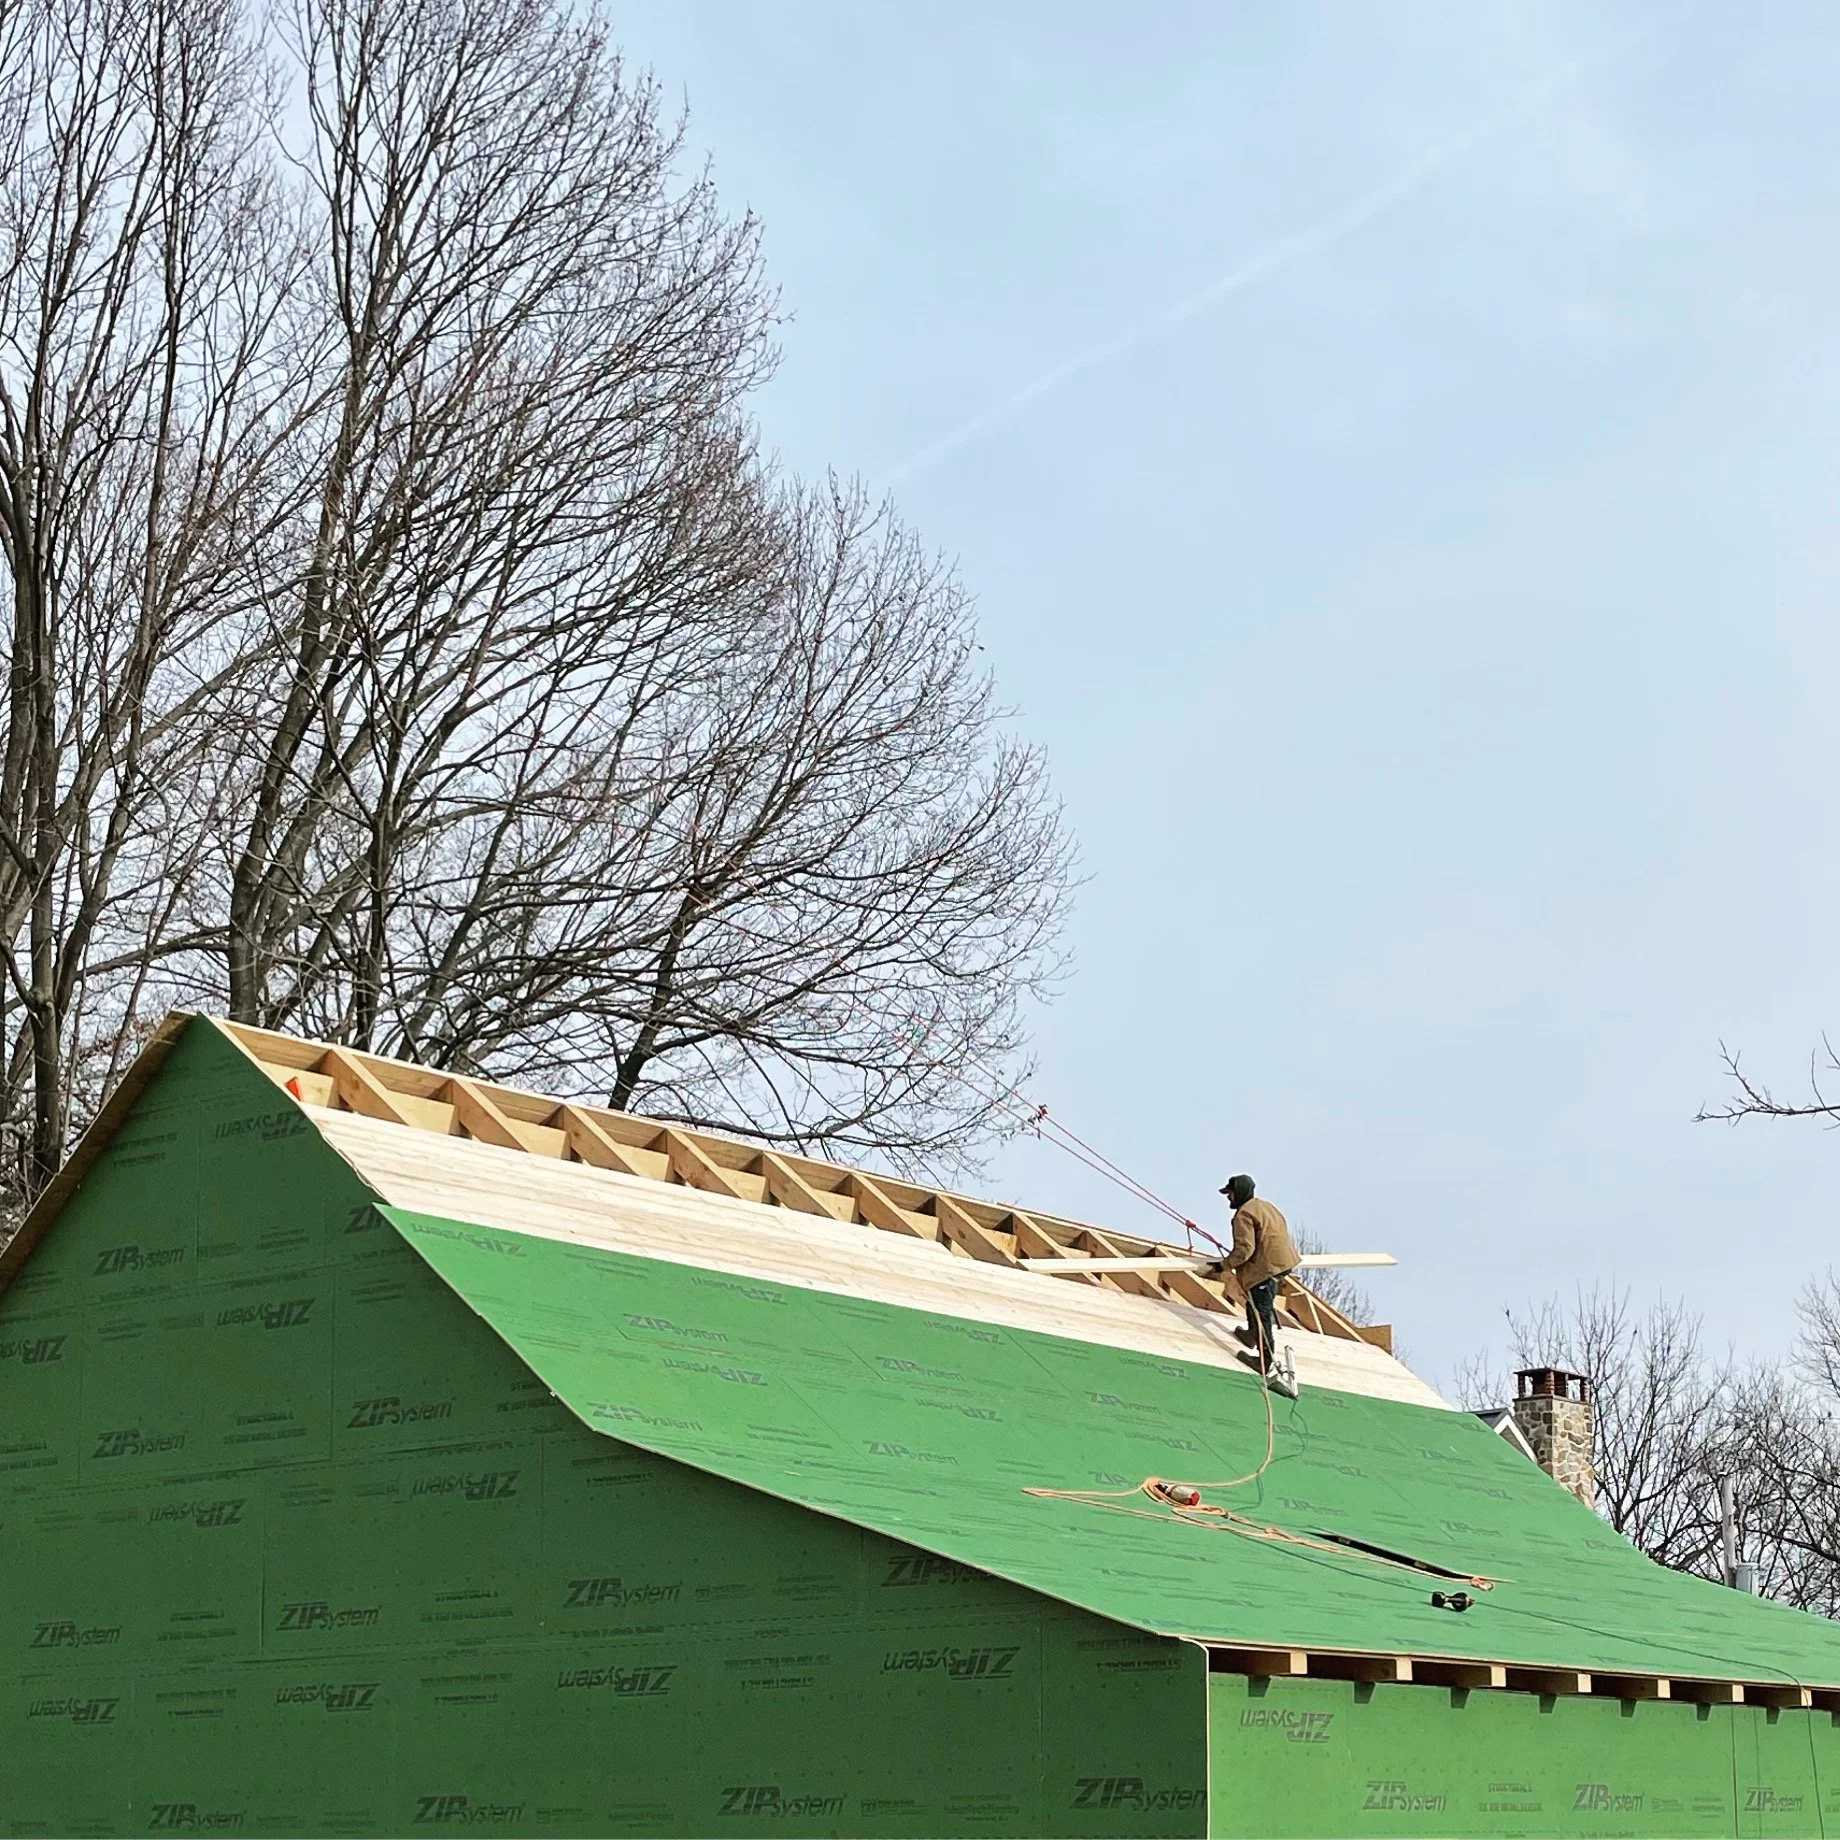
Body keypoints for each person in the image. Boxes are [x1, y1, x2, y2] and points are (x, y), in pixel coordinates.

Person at [1215, 1174, 1298, 1381]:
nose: (1228, 1198)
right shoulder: (1265, 1206)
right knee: (1254, 1304)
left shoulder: (1243, 1215)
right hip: (1281, 1263)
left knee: (1261, 1314)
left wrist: (1223, 1265)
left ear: (1239, 1193)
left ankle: (1264, 1362)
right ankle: (1252, 1336)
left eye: (1230, 1194)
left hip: (1265, 1269)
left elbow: (1245, 1249)